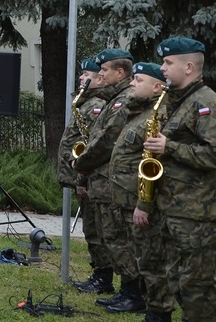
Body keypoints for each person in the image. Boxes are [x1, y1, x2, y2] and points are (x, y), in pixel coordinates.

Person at [140, 38, 216, 322]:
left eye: (168, 63)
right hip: (176, 210)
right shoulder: (181, 101)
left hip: (198, 215)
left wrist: (169, 147)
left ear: (189, 67)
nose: (162, 68)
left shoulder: (206, 103)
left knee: (198, 289)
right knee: (179, 281)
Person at [108, 62, 174, 320]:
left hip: (143, 202)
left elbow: (157, 164)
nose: (132, 83)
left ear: (157, 87)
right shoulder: (139, 113)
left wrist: (145, 203)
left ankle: (159, 312)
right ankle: (147, 304)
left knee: (152, 261)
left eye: (138, 80)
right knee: (141, 258)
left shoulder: (159, 116)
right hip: (128, 198)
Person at [73, 48, 138, 308]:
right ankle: (127, 290)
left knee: (118, 238)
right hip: (101, 178)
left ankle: (133, 292)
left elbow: (107, 141)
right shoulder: (114, 98)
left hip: (113, 180)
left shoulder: (125, 99)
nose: (100, 75)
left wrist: (81, 163)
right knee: (109, 236)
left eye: (104, 70)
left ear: (119, 73)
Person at [56, 58, 112, 295]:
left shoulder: (97, 104)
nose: (81, 78)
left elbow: (93, 145)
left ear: (99, 78)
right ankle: (100, 273)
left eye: (86, 74)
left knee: (95, 230)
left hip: (89, 178)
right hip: (83, 176)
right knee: (91, 229)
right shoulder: (86, 102)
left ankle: (103, 277)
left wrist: (83, 178)